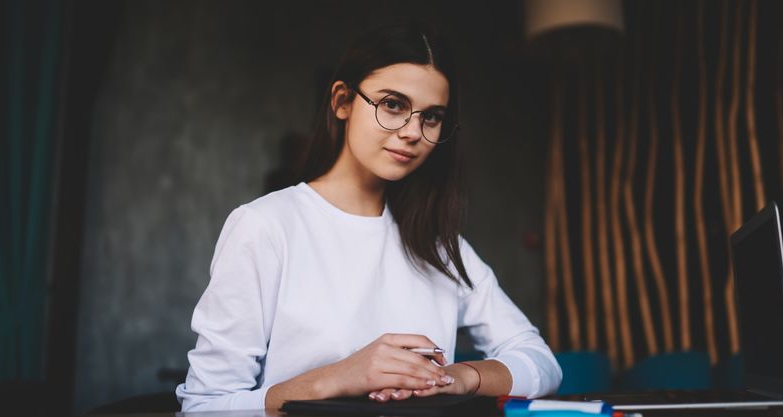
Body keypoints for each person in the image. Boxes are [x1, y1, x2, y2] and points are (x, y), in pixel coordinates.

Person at [176, 22, 562, 412]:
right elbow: (204, 406)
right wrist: (341, 376)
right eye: (393, 104)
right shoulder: (265, 227)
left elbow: (540, 362)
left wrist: (458, 378)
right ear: (342, 101)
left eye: (431, 117)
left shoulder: (439, 245)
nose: (413, 132)